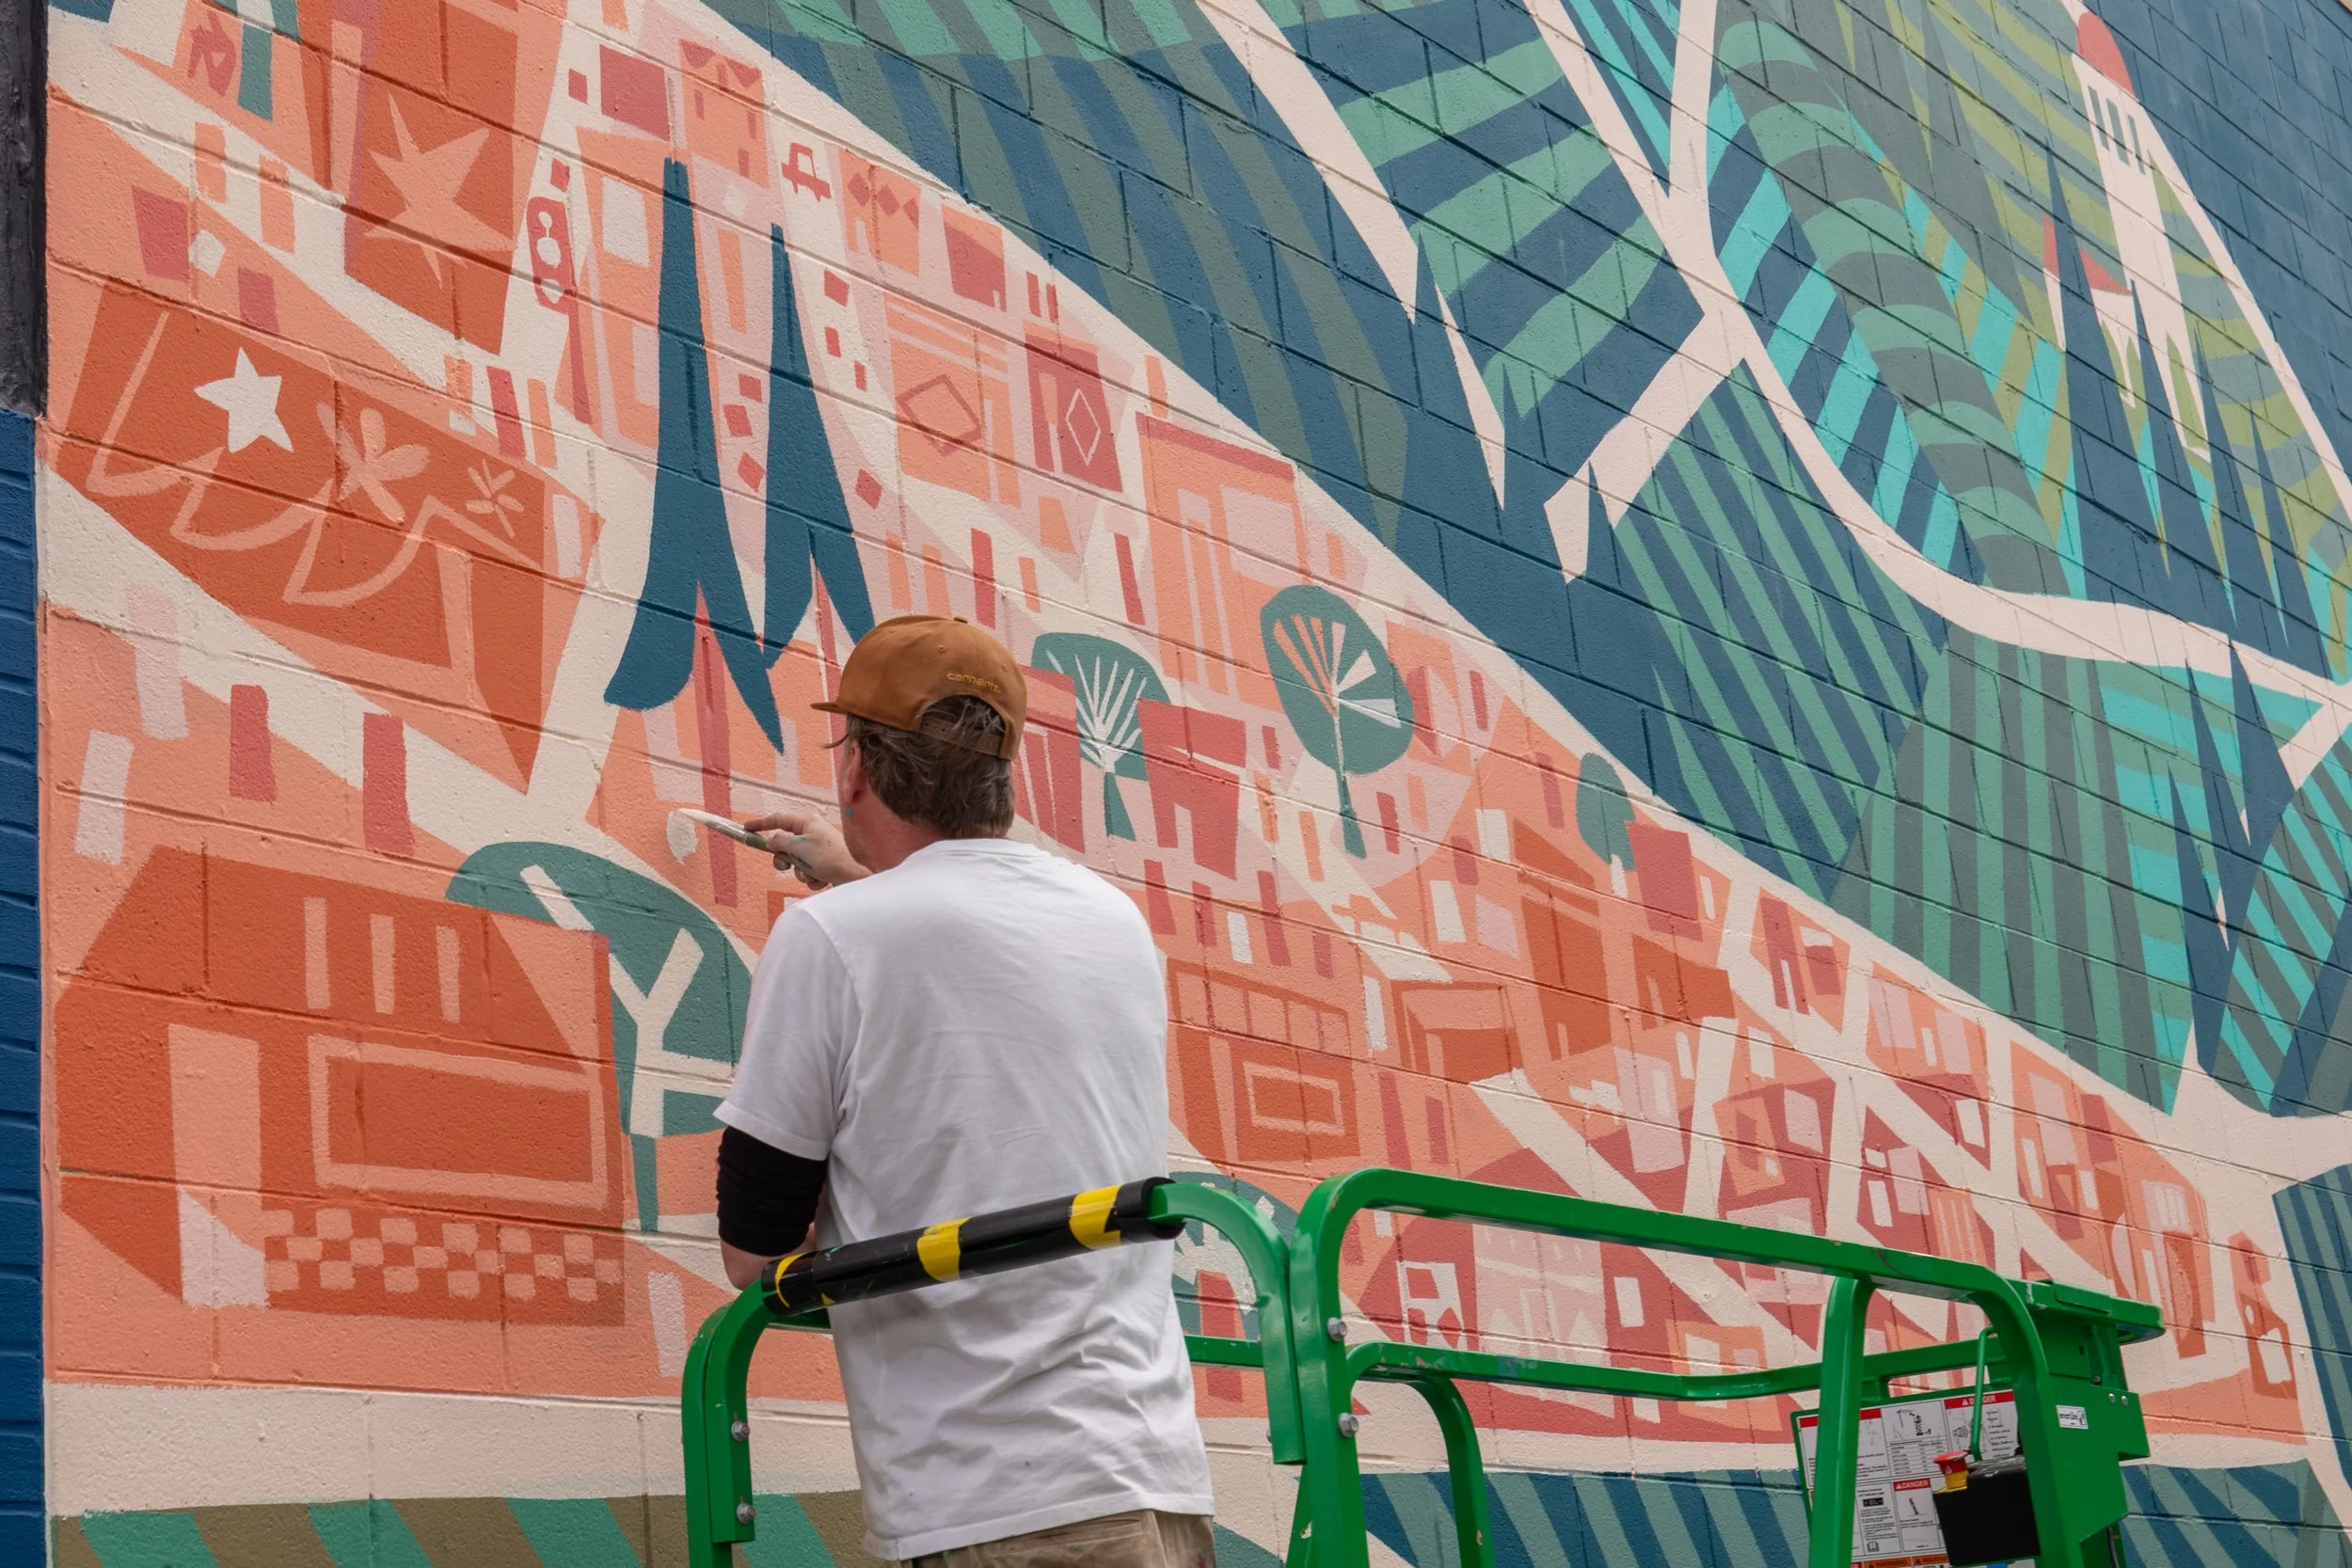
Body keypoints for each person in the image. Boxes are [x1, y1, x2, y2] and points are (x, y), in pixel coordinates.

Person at [712, 614, 1217, 1568]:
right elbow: (984, 985)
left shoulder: (834, 938)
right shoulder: (1112, 924)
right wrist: (862, 878)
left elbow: (753, 1247)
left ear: (856, 765)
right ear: (1001, 769)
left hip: (990, 1500)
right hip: (1155, 1479)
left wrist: (855, 897)